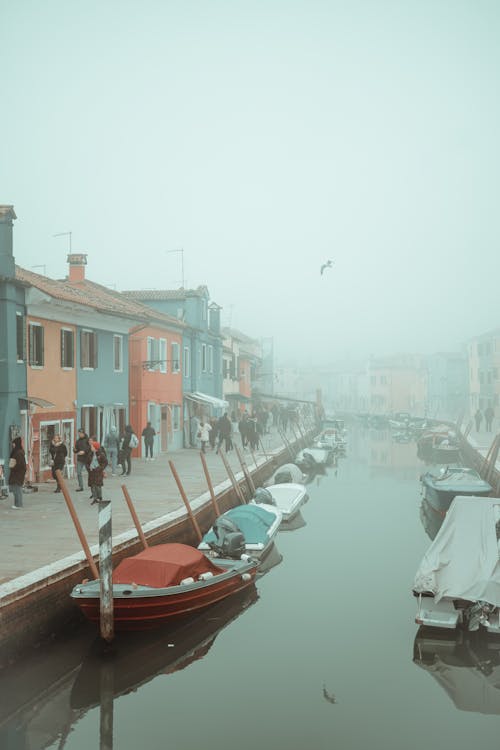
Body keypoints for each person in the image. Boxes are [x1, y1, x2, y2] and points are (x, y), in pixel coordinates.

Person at [86, 437, 108, 505]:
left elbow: (105, 462)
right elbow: (87, 462)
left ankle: (99, 497)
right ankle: (94, 498)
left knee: (98, 485)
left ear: (95, 448)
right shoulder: (90, 454)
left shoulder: (101, 454)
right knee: (92, 485)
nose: (91, 448)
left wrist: (100, 468)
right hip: (91, 472)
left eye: (92, 446)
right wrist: (88, 468)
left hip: (98, 472)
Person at [9, 436, 26, 509]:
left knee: (17, 488)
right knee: (15, 488)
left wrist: (13, 467)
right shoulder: (17, 451)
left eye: (14, 443)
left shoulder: (19, 453)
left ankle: (19, 504)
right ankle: (17, 504)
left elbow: (20, 464)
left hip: (18, 473)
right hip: (16, 473)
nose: (13, 445)